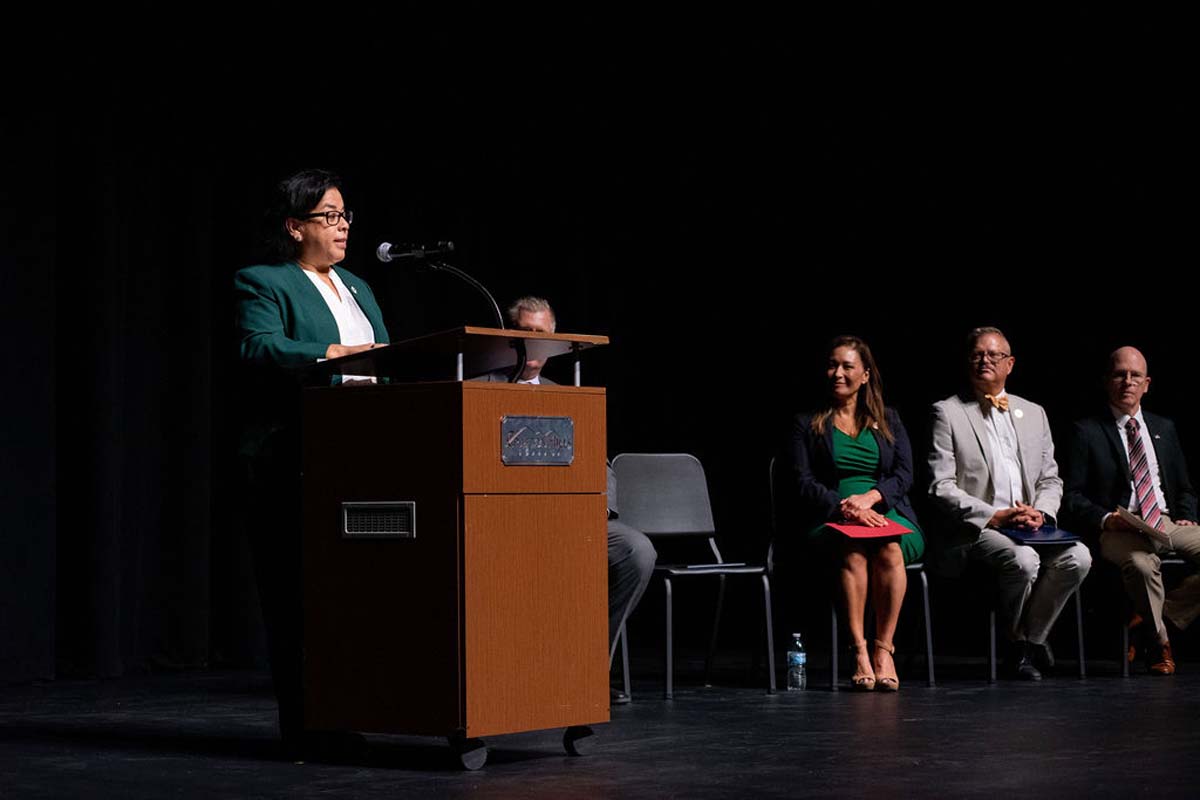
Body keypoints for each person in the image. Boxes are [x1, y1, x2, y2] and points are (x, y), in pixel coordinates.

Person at [234, 168, 388, 756]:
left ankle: (348, 713)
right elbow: (259, 346)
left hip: (361, 458)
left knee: (350, 596)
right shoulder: (264, 280)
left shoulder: (359, 286)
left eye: (346, 214)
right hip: (291, 459)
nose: (343, 224)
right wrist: (332, 352)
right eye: (329, 215)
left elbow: (384, 355)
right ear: (295, 226)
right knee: (297, 598)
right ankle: (306, 727)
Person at [473, 296, 656, 702]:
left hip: (569, 518)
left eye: (543, 336)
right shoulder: (478, 389)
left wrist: (599, 508)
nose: (534, 343)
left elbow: (600, 463)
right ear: (508, 336)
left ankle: (588, 667)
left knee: (636, 550)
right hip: (506, 522)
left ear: (557, 343)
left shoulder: (567, 394)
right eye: (525, 334)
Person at [928, 326, 1091, 680]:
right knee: (1023, 560)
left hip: (1031, 525)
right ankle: (1018, 645)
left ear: (1010, 364)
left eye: (994, 355)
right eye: (977, 354)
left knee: (1079, 557)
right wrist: (995, 515)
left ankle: (1029, 642)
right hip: (980, 527)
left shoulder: (1034, 412)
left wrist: (1042, 512)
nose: (984, 360)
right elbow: (941, 486)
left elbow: (1051, 478)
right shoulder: (947, 412)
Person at [792, 335, 924, 691]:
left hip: (887, 511)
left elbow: (905, 475)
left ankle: (884, 650)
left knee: (890, 548)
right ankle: (859, 651)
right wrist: (846, 507)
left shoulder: (889, 419)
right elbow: (802, 481)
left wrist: (872, 498)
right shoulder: (808, 423)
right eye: (832, 365)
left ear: (865, 374)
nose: (838, 373)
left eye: (848, 366)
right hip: (832, 516)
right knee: (853, 551)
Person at [1062, 346, 1200, 674]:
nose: (1127, 381)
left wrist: (1186, 512)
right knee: (1141, 566)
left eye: (1135, 375)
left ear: (1147, 383)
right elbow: (1073, 496)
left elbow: (1184, 486)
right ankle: (1160, 644)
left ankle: (1157, 618)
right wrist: (1108, 519)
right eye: (1119, 374)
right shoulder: (1087, 431)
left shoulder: (1163, 428)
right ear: (1107, 381)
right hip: (1119, 526)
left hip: (1164, 520)